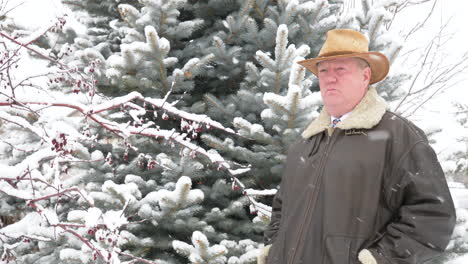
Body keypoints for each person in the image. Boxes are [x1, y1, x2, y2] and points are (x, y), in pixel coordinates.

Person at [257, 29, 456, 264]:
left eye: (341, 69)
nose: (330, 78)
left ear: (365, 76)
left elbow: (433, 215)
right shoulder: (305, 143)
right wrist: (273, 249)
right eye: (323, 71)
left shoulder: (397, 136)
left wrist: (379, 259)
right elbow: (281, 209)